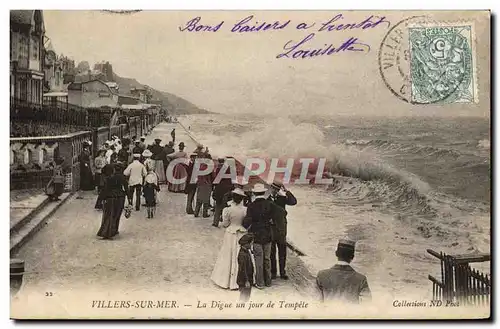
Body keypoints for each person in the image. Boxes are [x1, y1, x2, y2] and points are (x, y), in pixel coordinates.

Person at [210, 188, 248, 290]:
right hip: (241, 233)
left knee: (228, 255)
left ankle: (226, 280)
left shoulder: (227, 210)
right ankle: (241, 280)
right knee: (240, 256)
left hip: (231, 233)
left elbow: (225, 224)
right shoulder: (245, 210)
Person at [316, 239, 371, 304]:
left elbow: (315, 302)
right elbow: (367, 304)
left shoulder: (322, 275)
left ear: (336, 253)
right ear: (352, 257)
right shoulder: (361, 279)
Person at [243, 183, 274, 288]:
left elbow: (247, 222)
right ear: (264, 192)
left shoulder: (251, 206)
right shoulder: (269, 204)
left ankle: (260, 283)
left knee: (258, 259)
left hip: (256, 235)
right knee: (267, 258)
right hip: (268, 234)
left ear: (254, 193)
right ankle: (268, 281)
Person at [268, 181, 297, 280]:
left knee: (282, 252)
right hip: (271, 229)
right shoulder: (266, 200)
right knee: (272, 252)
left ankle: (282, 272)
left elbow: (293, 202)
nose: (275, 191)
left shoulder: (282, 198)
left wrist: (287, 191)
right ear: (270, 188)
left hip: (281, 229)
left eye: (277, 189)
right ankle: (273, 272)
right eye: (273, 189)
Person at [96, 163, 128, 240]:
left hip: (110, 197)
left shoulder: (110, 178)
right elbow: (126, 188)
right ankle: (114, 230)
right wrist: (129, 199)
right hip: (120, 197)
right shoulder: (123, 177)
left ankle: (106, 232)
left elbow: (105, 189)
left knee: (109, 215)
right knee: (117, 215)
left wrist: (100, 200)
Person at [212, 157, 234, 227]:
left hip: (219, 190)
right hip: (227, 190)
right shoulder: (230, 169)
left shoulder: (218, 169)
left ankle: (215, 222)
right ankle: (225, 222)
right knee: (226, 206)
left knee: (218, 206)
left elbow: (216, 180)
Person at [194, 152, 214, 218]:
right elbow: (212, 176)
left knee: (199, 199)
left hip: (200, 183)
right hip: (207, 184)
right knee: (206, 200)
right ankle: (204, 214)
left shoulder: (200, 166)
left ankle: (196, 212)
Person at [237, 233, 255, 302]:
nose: (251, 245)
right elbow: (242, 269)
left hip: (247, 279)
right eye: (251, 243)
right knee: (244, 298)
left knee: (246, 297)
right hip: (244, 280)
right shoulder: (242, 255)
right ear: (246, 244)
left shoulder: (246, 251)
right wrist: (246, 281)